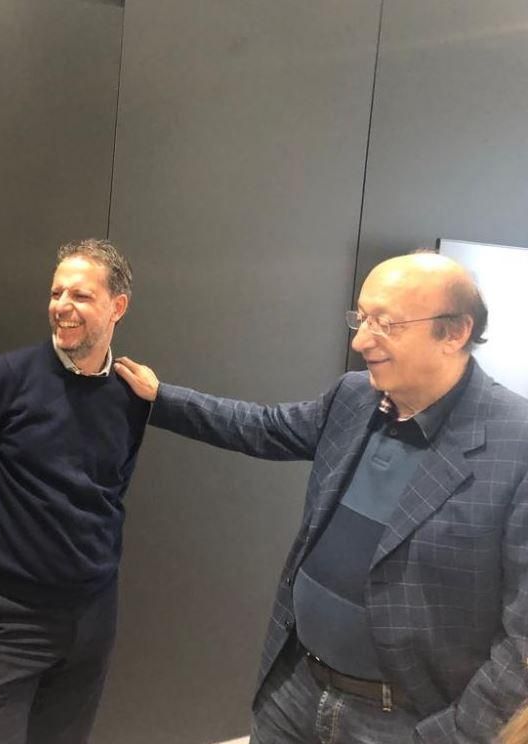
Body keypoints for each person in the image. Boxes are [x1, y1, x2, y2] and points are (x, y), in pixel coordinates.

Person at [114, 252, 528, 743]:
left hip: (405, 722)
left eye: (385, 324)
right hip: (296, 690)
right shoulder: (353, 397)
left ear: (455, 332)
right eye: (362, 318)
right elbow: (264, 428)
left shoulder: (515, 444)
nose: (360, 341)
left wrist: (457, 735)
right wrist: (161, 398)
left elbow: (523, 638)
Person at [0, 238, 150, 744]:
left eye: (81, 295)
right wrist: (3, 547)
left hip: (94, 617)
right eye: (56, 293)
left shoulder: (131, 394)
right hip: (11, 618)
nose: (62, 306)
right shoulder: (5, 378)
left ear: (117, 306)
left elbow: (112, 490)